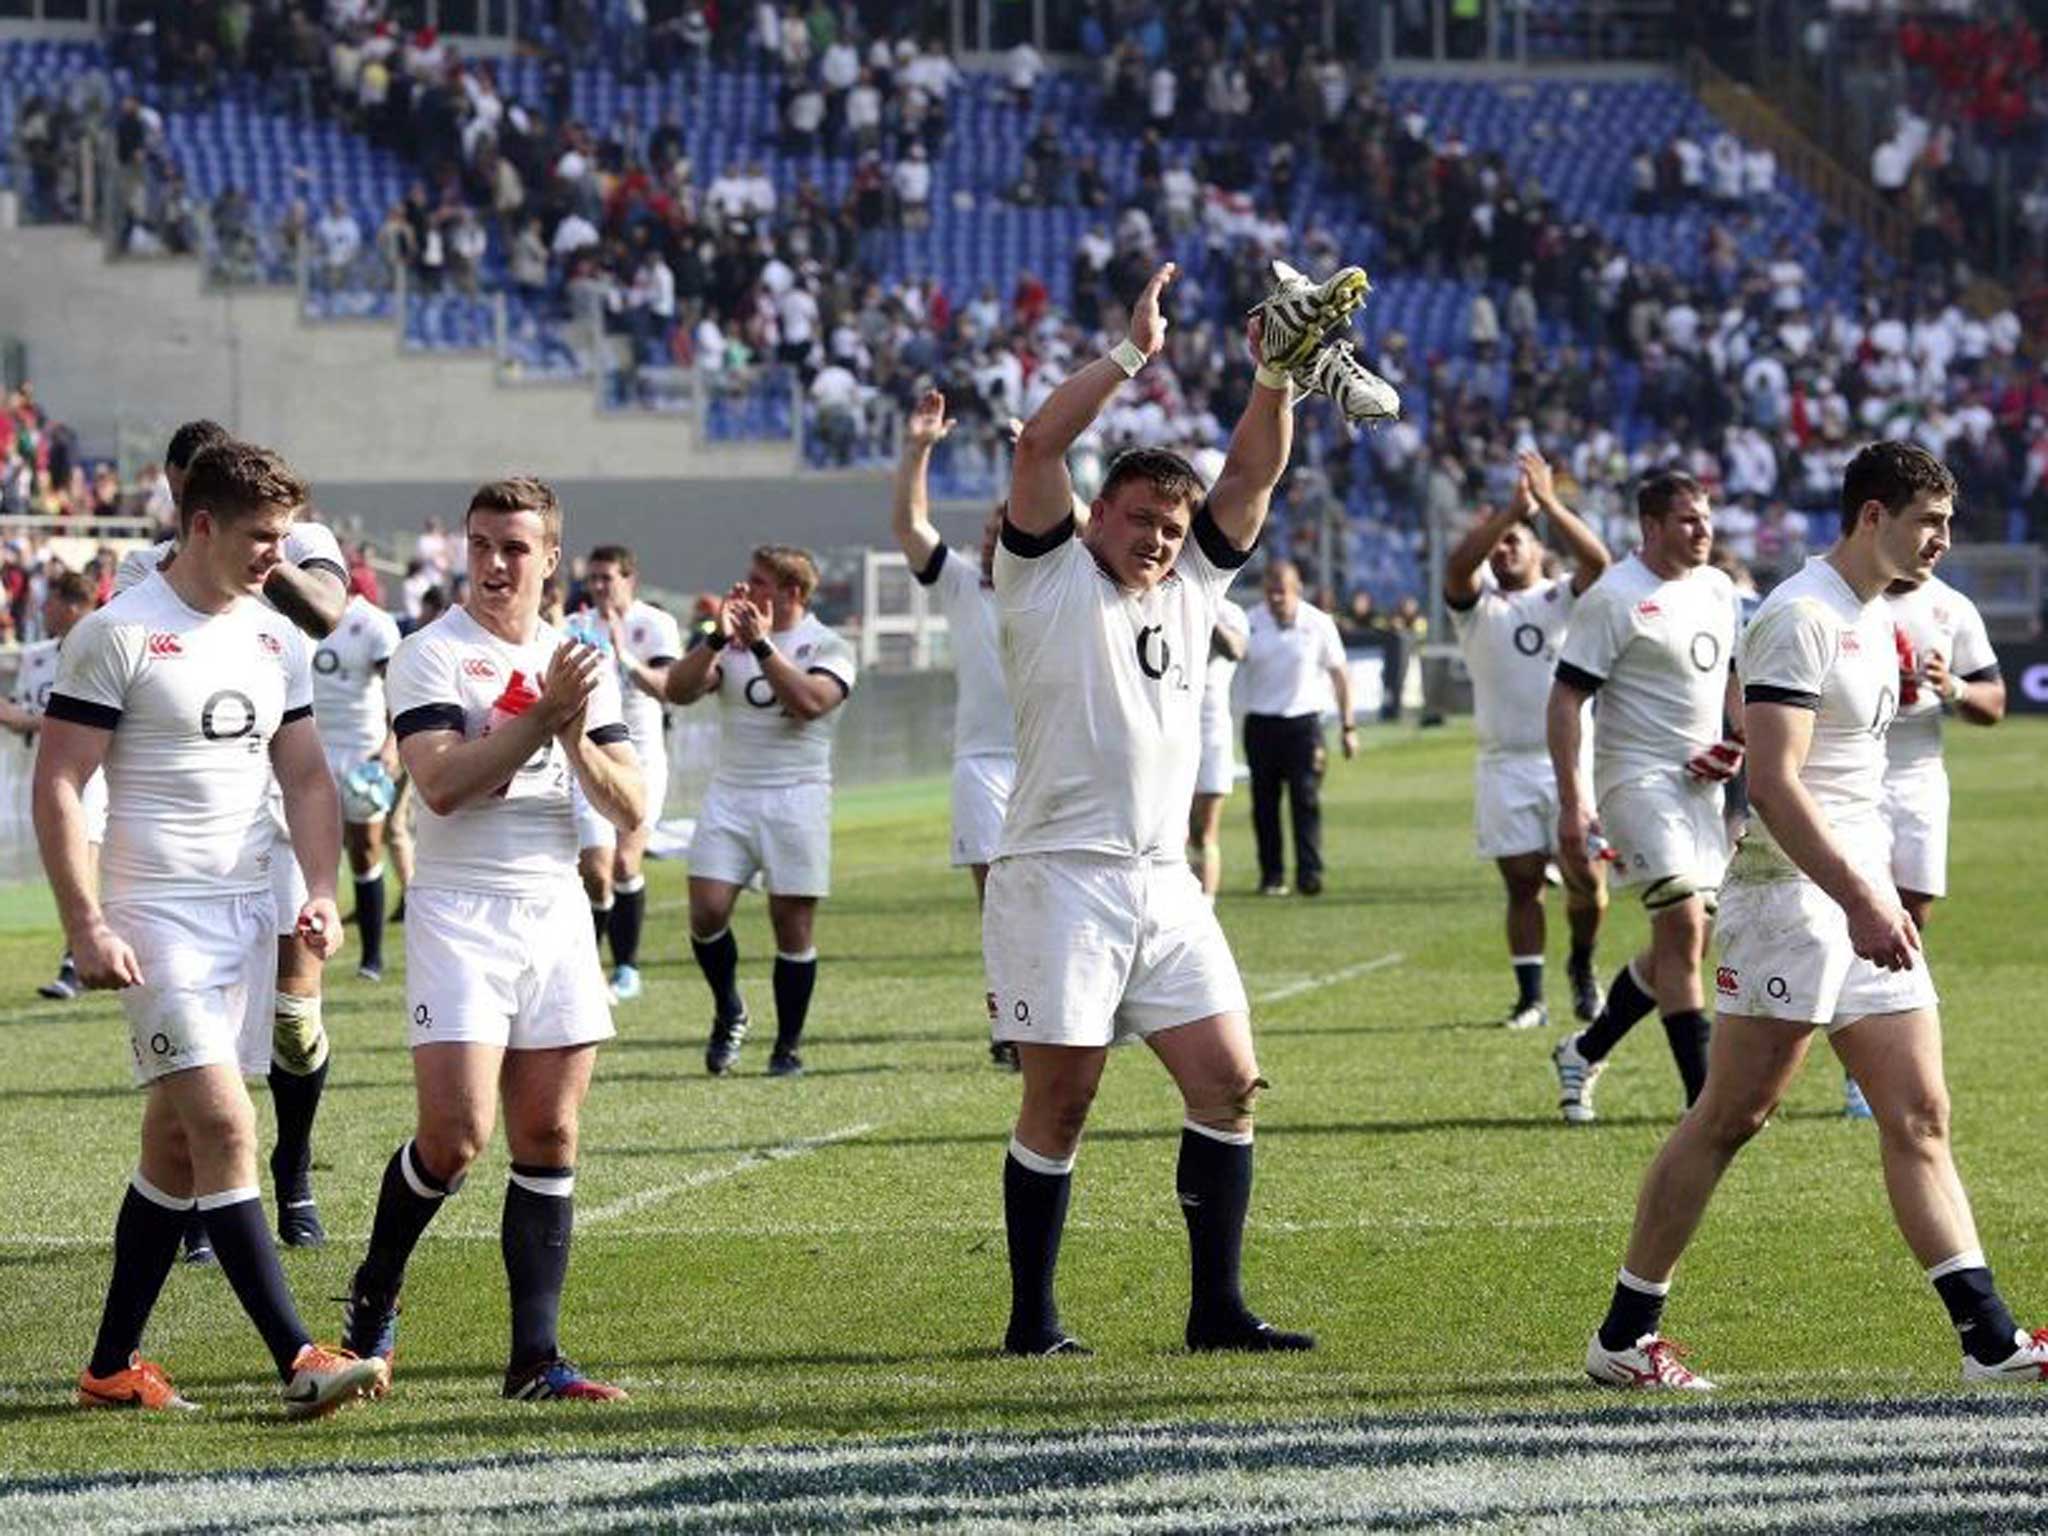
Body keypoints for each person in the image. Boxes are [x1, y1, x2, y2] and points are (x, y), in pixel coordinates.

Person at [1582, 441, 2048, 1390]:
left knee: (1920, 1115)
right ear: (1871, 515)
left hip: (1855, 889)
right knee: (1731, 1116)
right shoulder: (1801, 615)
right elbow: (1778, 786)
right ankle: (1623, 1339)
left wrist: (1872, 891)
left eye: (1948, 524)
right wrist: (1864, 898)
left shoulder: (1876, 616)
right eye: (1928, 522)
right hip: (1792, 898)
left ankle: (1989, 1342)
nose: (1943, 543)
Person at [986, 257, 1359, 1356]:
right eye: (1141, 516)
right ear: (1097, 512)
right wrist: (1128, 356)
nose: (1157, 536)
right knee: (1061, 1104)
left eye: (1170, 523)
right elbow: (1035, 445)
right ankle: (1031, 1321)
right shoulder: (1044, 575)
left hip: (1161, 881)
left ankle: (1215, 1310)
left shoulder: (1196, 583)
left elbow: (1252, 479)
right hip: (1058, 871)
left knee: (1229, 1083)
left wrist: (1275, 381)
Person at [37, 440, 385, 1417]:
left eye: (285, 536)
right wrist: (85, 922)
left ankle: (111, 1367)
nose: (279, 556)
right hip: (152, 925)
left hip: (246, 919)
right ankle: (299, 1357)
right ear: (200, 526)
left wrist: (318, 888)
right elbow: (60, 778)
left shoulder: (276, 639)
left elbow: (309, 774)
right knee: (228, 1126)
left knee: (176, 1152)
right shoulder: (119, 632)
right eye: (260, 537)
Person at [341, 477, 644, 1403]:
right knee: (457, 1136)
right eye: (481, 545)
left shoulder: (581, 660)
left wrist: (576, 734)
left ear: (552, 557)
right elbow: (438, 786)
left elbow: (632, 806)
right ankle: (376, 1288)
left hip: (553, 906)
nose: (496, 563)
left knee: (549, 1131)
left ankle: (535, 1361)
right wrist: (542, 722)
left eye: (516, 547)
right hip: (460, 908)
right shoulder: (430, 654)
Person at [116, 420, 350, 1256]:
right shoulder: (143, 566)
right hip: (197, 836)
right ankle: (207, 1199)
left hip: (284, 816)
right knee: (202, 1045)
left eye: (194, 496)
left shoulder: (298, 541)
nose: (183, 511)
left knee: (292, 1022)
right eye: (179, 500)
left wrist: (260, 556)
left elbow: (323, 613)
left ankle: (293, 1175)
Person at [1548, 472, 1742, 1123]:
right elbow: (1567, 698)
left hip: (1700, 790)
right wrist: (1574, 802)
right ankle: (1706, 1099)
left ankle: (1584, 1050)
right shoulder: (1614, 597)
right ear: (1651, 527)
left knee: (1681, 948)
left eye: (1707, 518)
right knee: (1684, 926)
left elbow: (1733, 678)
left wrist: (1739, 739)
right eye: (1688, 520)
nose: (1703, 531)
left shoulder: (1718, 589)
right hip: (1636, 782)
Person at [665, 545, 857, 1077]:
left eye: (760, 582)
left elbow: (811, 703)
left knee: (790, 925)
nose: (746, 591)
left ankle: (786, 1046)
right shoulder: (728, 642)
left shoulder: (829, 644)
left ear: (792, 593)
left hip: (797, 795)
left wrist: (763, 646)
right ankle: (729, 1007)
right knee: (705, 912)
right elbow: (677, 692)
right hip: (731, 793)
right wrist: (715, 640)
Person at [1443, 450, 1611, 1030]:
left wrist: (1547, 505)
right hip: (1503, 764)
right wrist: (1507, 513)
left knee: (1588, 879)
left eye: (1518, 540)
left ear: (1541, 550)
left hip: (1568, 761)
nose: (1504, 548)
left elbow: (1599, 560)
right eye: (1500, 542)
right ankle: (1531, 998)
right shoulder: (1478, 607)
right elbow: (1457, 567)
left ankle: (1583, 966)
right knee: (1520, 882)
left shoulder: (1562, 597)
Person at [1833, 562, 2007, 1119]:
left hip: (1919, 773)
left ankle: (1872, 1048)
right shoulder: (1850, 596)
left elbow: (1994, 702)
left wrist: (1950, 684)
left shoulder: (1951, 607)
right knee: (1865, 903)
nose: (1934, 543)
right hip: (1859, 766)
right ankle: (1862, 1066)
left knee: (1915, 910)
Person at [890, 389, 1020, 1066]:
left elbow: (1090, 527)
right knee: (997, 899)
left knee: (1051, 895)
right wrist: (918, 450)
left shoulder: (1061, 584)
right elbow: (910, 523)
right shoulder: (964, 584)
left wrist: (1038, 459)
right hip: (983, 764)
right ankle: (1009, 1025)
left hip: (1053, 763)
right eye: (991, 532)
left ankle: (1062, 1013)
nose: (995, 541)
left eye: (1010, 531)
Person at [573, 546, 680, 1003]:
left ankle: (628, 967)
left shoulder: (656, 625)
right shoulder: (574, 628)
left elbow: (666, 688)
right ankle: (585, 971)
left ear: (629, 578)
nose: (599, 587)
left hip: (641, 759)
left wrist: (623, 654)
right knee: (595, 870)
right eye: (593, 578)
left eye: (607, 578)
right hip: (591, 758)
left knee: (624, 862)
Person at [0, 570, 107, 1000]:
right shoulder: (38, 655)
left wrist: (21, 719)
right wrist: (17, 716)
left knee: (86, 853)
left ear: (73, 604)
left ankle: (76, 960)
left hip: (91, 770)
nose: (42, 608)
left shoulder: (104, 645)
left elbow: (91, 716)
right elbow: (28, 706)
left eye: (51, 601)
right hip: (35, 770)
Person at [1235, 560, 1353, 897]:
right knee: (1264, 803)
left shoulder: (1318, 623)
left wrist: (1349, 725)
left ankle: (1309, 873)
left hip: (1304, 724)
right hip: (1260, 723)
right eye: (1270, 590)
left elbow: (1340, 674)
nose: (1276, 597)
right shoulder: (1249, 622)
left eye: (1282, 590)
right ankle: (1272, 875)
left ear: (1297, 589)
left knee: (1305, 797)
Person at [310, 592, 403, 983]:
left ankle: (372, 957)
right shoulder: (290, 618)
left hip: (362, 753)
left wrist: (391, 746)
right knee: (303, 849)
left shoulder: (374, 623)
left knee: (365, 850)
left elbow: (402, 690)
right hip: (309, 748)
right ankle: (302, 949)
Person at [1188, 594, 1250, 898]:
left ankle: (1205, 908)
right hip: (1167, 731)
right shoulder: (1166, 602)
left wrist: (1205, 613)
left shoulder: (1230, 613)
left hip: (1211, 732)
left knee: (1204, 831)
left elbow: (1235, 650)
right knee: (1171, 833)